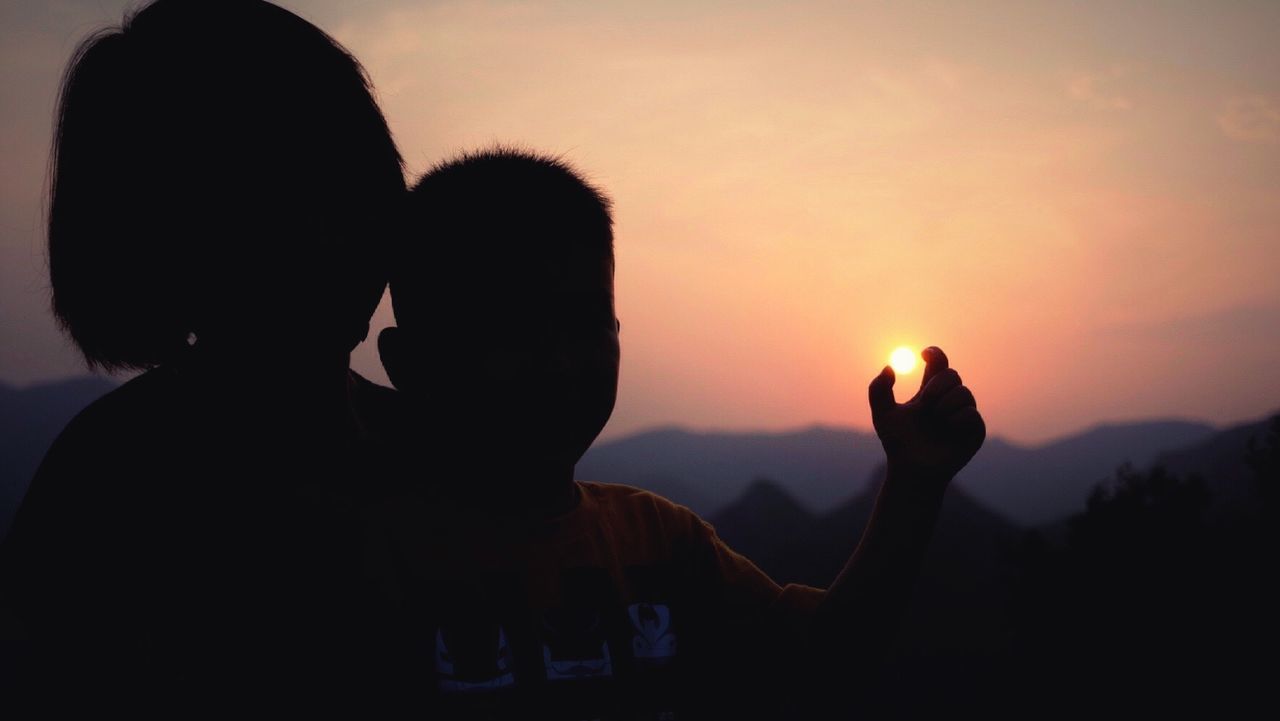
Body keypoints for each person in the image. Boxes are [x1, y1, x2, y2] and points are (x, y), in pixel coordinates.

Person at [372, 147, 986, 718]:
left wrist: (914, 484)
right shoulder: (361, 563)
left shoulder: (659, 545)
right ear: (410, 365)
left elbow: (823, 662)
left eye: (585, 323)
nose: (558, 362)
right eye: (511, 327)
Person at [0, 0, 406, 712]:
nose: (335, 239)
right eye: (279, 210)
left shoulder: (432, 449)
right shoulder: (111, 488)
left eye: (352, 194)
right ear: (169, 239)